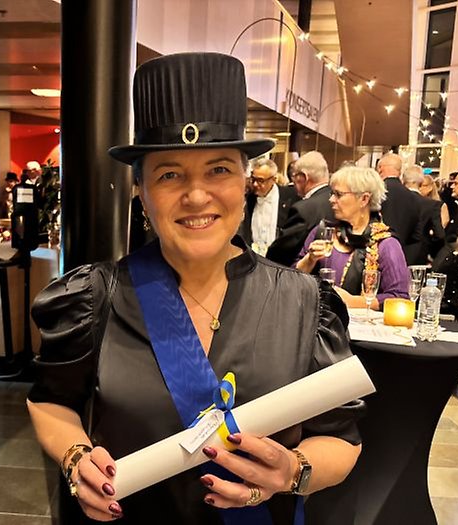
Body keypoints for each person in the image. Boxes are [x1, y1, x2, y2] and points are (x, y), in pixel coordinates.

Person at [27, 52, 363, 525]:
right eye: (169, 174)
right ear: (141, 191)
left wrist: (292, 470)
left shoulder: (305, 304)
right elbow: (51, 402)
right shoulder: (95, 297)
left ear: (245, 182)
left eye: (219, 169)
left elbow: (340, 439)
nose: (197, 195)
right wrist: (75, 457)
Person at [295, 166, 410, 309]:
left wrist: (353, 302)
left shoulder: (385, 243)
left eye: (338, 194)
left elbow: (399, 298)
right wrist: (310, 259)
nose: (331, 199)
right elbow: (294, 278)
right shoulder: (323, 232)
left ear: (364, 199)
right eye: (332, 193)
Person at [265, 151, 334, 267]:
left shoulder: (304, 209)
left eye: (294, 177)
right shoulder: (339, 201)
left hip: (305, 271)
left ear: (303, 177)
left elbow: (281, 251)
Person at [240, 158, 299, 254]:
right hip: (253, 256)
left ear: (274, 179)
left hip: (279, 257)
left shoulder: (290, 197)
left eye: (260, 180)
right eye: (253, 179)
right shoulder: (248, 198)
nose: (255, 184)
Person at [376, 153, 426, 264]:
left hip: (375, 256)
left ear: (380, 169)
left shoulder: (375, 193)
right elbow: (417, 236)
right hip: (402, 256)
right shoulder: (413, 198)